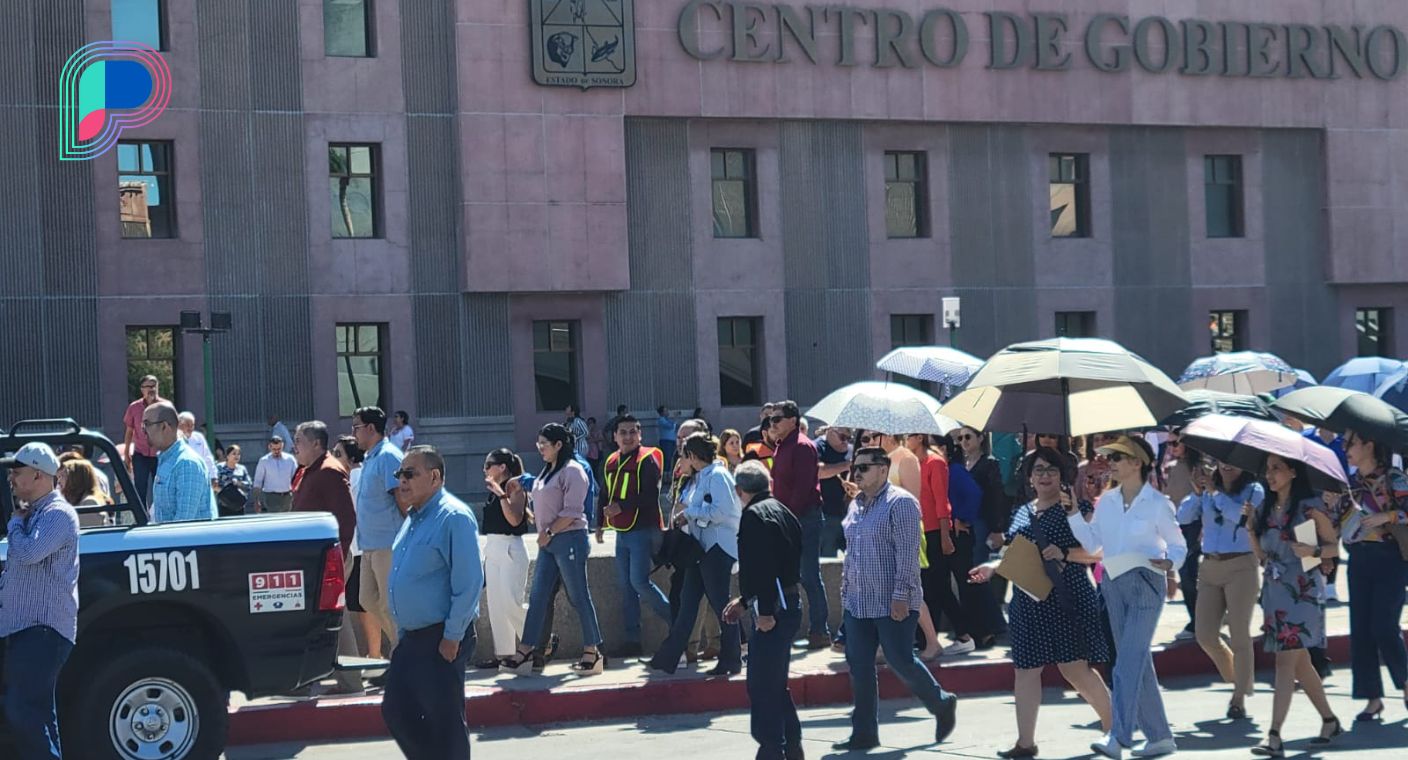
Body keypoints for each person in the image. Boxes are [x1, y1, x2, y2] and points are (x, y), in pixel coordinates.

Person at [969, 447, 1113, 759]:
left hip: (1066, 596)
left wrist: (1063, 552)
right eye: (1038, 470)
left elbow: (1096, 552)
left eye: (1051, 469)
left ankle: (1114, 728)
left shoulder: (1075, 507)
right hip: (1027, 597)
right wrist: (993, 567)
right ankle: (1025, 742)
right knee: (1025, 670)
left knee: (1075, 670)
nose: (1044, 475)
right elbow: (1017, 553)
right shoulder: (1022, 511)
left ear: (1062, 475)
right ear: (1030, 477)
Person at [1066, 435, 1185, 759]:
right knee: (1137, 662)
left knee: (1126, 665)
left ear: (1138, 463)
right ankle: (1160, 737)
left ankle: (1119, 738)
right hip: (1113, 583)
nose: (1111, 463)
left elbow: (1178, 544)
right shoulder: (1107, 501)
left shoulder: (1158, 503)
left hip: (1146, 582)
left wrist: (1171, 563)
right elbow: (1093, 545)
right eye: (1111, 458)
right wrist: (1075, 512)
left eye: (1118, 458)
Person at [834, 447, 959, 752]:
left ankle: (941, 703)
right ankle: (863, 732)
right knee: (859, 665)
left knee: (900, 659)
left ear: (883, 469)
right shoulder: (856, 506)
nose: (858, 473)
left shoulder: (901, 503)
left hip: (893, 600)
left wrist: (902, 596)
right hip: (859, 601)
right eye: (855, 467)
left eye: (865, 467)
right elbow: (852, 555)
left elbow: (908, 556)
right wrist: (845, 593)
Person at [380, 445, 482, 760]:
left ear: (435, 477)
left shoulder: (453, 517)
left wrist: (452, 637)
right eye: (399, 474)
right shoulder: (415, 517)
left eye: (410, 474)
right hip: (412, 638)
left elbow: (469, 583)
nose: (402, 481)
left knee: (445, 723)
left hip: (441, 637)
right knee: (396, 711)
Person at [1244, 454, 1341, 756]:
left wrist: (1312, 549)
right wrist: (1250, 528)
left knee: (1285, 661)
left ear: (1293, 472)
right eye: (1268, 469)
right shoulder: (1264, 508)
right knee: (1300, 663)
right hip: (1274, 592)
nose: (1270, 475)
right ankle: (1329, 720)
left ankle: (1274, 735)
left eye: (1277, 469)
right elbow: (1261, 556)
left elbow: (1332, 547)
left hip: (1302, 592)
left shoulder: (1309, 507)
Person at [503, 424, 604, 675]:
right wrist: (520, 483)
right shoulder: (548, 471)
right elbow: (540, 490)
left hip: (568, 539)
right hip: (549, 543)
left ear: (559, 445)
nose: (540, 448)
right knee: (538, 597)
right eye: (539, 443)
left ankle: (593, 651)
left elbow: (573, 512)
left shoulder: (574, 471)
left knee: (579, 596)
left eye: (544, 444)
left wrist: (548, 533)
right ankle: (526, 649)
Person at [0, 442, 80, 760]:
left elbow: (30, 552)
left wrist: (15, 524)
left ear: (37, 475)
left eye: (17, 472)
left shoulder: (57, 514)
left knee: (21, 707)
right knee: (38, 712)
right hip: (30, 631)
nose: (11, 478)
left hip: (42, 631)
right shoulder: (38, 514)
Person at [722, 460, 804, 760]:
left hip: (775, 608)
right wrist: (746, 601)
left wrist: (765, 610)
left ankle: (772, 749)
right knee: (774, 682)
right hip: (788, 602)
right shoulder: (783, 511)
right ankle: (791, 745)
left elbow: (764, 566)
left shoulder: (754, 516)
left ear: (739, 490)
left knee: (762, 685)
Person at [648, 433, 743, 675]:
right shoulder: (699, 478)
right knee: (687, 605)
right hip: (700, 551)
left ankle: (731, 658)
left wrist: (691, 513)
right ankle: (667, 658)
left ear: (692, 455)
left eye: (683, 454)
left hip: (717, 549)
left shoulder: (718, 475)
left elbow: (723, 511)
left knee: (722, 604)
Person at [1176, 458, 1261, 719]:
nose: (1227, 465)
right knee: (1205, 634)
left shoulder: (1254, 490)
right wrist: (1199, 493)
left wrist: (1215, 492)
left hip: (1241, 565)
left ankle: (1239, 697)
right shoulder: (1208, 489)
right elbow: (1183, 515)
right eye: (1221, 460)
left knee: (1239, 632)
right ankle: (1238, 678)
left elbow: (1240, 517)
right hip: (1210, 565)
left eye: (1232, 461)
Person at [1335, 428, 1408, 722]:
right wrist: (1332, 506)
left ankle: (1405, 683)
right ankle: (1372, 698)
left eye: (1350, 442)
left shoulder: (1393, 477)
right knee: (1361, 628)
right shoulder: (1349, 483)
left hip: (1391, 558)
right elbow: (1340, 519)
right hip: (1359, 558)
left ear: (1368, 444)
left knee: (1383, 625)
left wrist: (1387, 516)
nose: (1346, 447)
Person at [291, 420, 363, 694]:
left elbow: (346, 519)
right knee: (320, 619)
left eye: (299, 441)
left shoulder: (329, 471)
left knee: (336, 619)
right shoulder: (312, 470)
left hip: (328, 559)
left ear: (316, 444)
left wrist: (336, 559)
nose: (294, 447)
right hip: (314, 559)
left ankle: (351, 683)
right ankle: (310, 680)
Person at [597, 414, 671, 658]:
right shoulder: (611, 460)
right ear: (615, 436)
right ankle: (632, 640)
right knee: (626, 587)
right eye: (623, 432)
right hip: (622, 532)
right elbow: (605, 493)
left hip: (643, 530)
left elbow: (651, 496)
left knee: (639, 582)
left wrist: (622, 506)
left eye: (632, 432)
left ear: (640, 434)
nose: (628, 437)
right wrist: (599, 523)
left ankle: (679, 624)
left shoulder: (648, 459)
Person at [769, 401, 830, 650]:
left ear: (793, 419)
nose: (772, 423)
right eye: (770, 420)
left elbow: (803, 488)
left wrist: (787, 519)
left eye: (777, 419)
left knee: (809, 576)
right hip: (788, 518)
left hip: (803, 518)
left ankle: (819, 631)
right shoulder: (782, 445)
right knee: (790, 575)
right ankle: (791, 629)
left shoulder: (803, 446)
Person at [353, 406, 407, 658]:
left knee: (389, 605)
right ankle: (403, 646)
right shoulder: (371, 457)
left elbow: (402, 498)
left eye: (356, 427)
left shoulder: (388, 456)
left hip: (388, 543)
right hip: (368, 544)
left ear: (371, 428)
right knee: (366, 599)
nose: (354, 433)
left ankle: (404, 654)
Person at [952, 425, 1007, 648]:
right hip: (965, 525)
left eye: (968, 437)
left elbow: (997, 497)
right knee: (969, 573)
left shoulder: (989, 463)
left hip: (983, 523)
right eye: (960, 438)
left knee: (977, 573)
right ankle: (983, 624)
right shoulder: (960, 465)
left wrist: (997, 528)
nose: (963, 441)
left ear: (981, 438)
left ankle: (995, 624)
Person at [478, 448, 531, 669]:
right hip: (494, 548)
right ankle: (504, 654)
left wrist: (501, 494)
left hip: (511, 548)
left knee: (511, 602)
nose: (485, 470)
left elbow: (514, 520)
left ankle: (538, 640)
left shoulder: (514, 487)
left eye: (488, 465)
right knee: (497, 605)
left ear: (502, 467)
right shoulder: (494, 491)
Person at [333, 436, 383, 662]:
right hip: (361, 547)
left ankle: (375, 655)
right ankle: (374, 654)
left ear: (351, 458)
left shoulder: (353, 477)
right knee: (363, 604)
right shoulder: (361, 476)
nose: (334, 458)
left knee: (365, 606)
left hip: (358, 549)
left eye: (338, 454)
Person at [143, 401, 219, 523]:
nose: (143, 431)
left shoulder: (186, 463)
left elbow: (182, 526)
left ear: (164, 426)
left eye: (147, 424)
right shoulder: (168, 459)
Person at [1165, 432, 1203, 641]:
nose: (1171, 447)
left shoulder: (1198, 469)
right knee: (1185, 573)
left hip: (1194, 525)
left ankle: (1199, 619)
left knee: (1189, 574)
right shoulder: (1172, 468)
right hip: (1176, 524)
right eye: (1169, 443)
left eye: (1175, 442)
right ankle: (1196, 618)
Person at [122, 374, 163, 507]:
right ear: (142, 389)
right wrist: (127, 451)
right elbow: (129, 430)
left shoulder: (165, 406)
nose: (152, 389)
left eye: (154, 386)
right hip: (140, 453)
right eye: (148, 386)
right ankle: (142, 518)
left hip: (160, 453)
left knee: (162, 486)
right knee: (140, 487)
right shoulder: (134, 407)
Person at [817, 426, 851, 557]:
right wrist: (846, 465)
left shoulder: (851, 450)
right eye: (843, 437)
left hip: (848, 513)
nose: (846, 442)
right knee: (827, 559)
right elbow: (819, 471)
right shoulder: (818, 447)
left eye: (849, 438)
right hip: (826, 514)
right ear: (831, 431)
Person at [58, 457, 111, 528]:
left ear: (74, 479)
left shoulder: (89, 502)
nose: (59, 481)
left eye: (63, 476)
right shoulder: (78, 500)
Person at [251, 436, 297, 514]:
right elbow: (258, 482)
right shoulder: (264, 461)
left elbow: (296, 478)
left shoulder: (290, 459)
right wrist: (256, 501)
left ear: (282, 446)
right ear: (270, 447)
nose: (276, 451)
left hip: (287, 496)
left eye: (279, 449)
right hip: (271, 497)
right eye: (274, 449)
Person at [177, 411, 218, 487]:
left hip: (199, 477)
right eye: (187, 425)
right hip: (181, 479)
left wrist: (213, 476)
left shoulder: (199, 437)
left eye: (192, 425)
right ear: (179, 425)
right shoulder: (173, 439)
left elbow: (207, 457)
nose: (190, 428)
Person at [216, 445, 253, 517]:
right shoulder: (219, 468)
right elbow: (214, 484)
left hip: (239, 505)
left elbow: (249, 484)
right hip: (224, 505)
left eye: (238, 454)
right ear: (227, 456)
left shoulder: (242, 468)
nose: (237, 456)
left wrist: (239, 483)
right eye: (234, 454)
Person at [657, 405, 678, 475]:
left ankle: (669, 473)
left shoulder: (669, 420)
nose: (667, 412)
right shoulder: (661, 420)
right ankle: (665, 474)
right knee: (667, 458)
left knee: (671, 458)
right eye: (665, 410)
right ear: (662, 412)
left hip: (672, 440)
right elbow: (670, 426)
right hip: (666, 441)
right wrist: (675, 418)